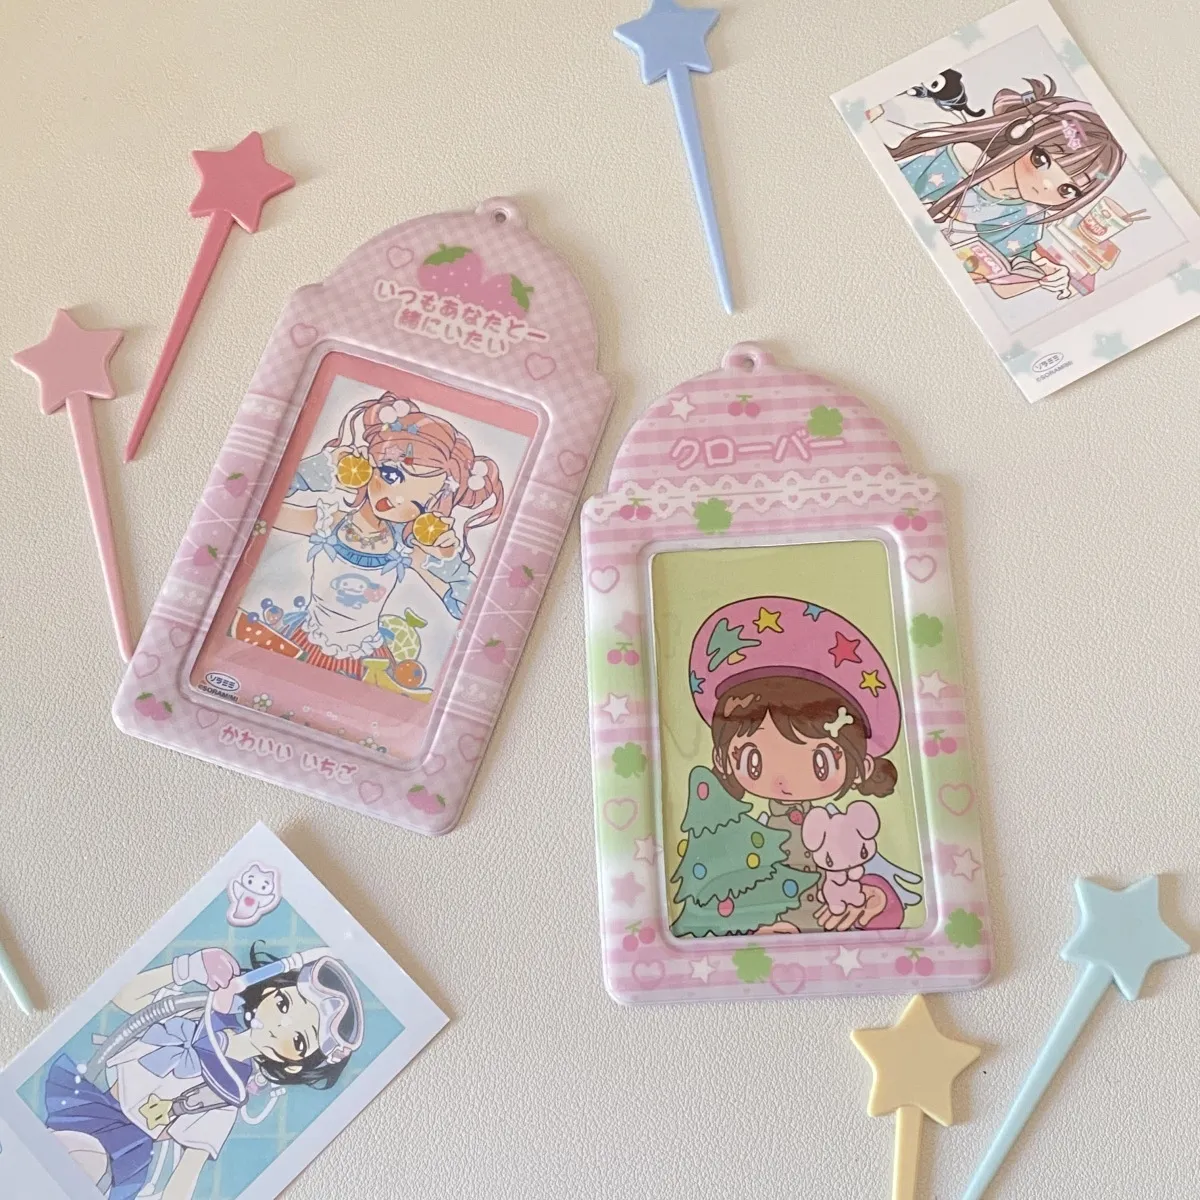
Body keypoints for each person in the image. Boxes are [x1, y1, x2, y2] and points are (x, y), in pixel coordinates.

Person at [43, 944, 364, 1200]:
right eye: (283, 1004)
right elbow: (126, 997)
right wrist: (188, 968)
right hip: (91, 1104)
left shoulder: (225, 1095)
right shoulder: (198, 1010)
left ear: (294, 1063)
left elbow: (187, 1172)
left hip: (123, 1150)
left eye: (298, 1039)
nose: (282, 1025)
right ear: (268, 991)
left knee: (85, 1161)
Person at [238, 391, 503, 695]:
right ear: (369, 463)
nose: (397, 500)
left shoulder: (408, 551)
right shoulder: (327, 521)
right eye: (391, 475)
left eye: (418, 502)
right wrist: (317, 472)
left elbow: (472, 611)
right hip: (303, 638)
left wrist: (449, 561)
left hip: (366, 658)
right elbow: (257, 510)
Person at [687, 596, 922, 932]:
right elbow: (725, 896)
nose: (784, 779)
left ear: (859, 763)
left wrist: (877, 898)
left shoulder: (845, 829)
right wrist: (754, 929)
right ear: (722, 759)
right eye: (755, 761)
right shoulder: (752, 837)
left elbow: (887, 894)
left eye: (819, 762)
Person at [882, 76, 1125, 300]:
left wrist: (1042, 275)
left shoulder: (1027, 211)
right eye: (1041, 160)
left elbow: (1011, 264)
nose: (1047, 185)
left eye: (1067, 190)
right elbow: (891, 191)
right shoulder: (959, 159)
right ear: (1020, 133)